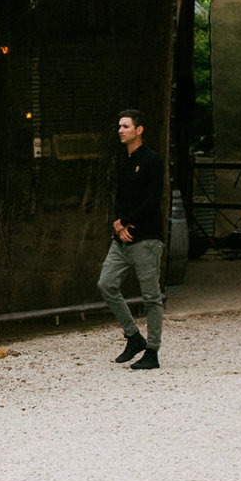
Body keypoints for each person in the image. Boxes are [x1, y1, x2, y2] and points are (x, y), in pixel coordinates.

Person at [97, 108, 166, 371]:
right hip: (122, 237)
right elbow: (120, 196)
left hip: (146, 238)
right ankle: (133, 337)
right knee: (106, 284)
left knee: (151, 297)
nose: (120, 130)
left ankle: (152, 351)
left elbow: (151, 199)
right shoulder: (122, 160)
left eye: (125, 126)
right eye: (119, 126)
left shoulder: (152, 160)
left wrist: (126, 222)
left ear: (139, 130)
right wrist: (118, 222)